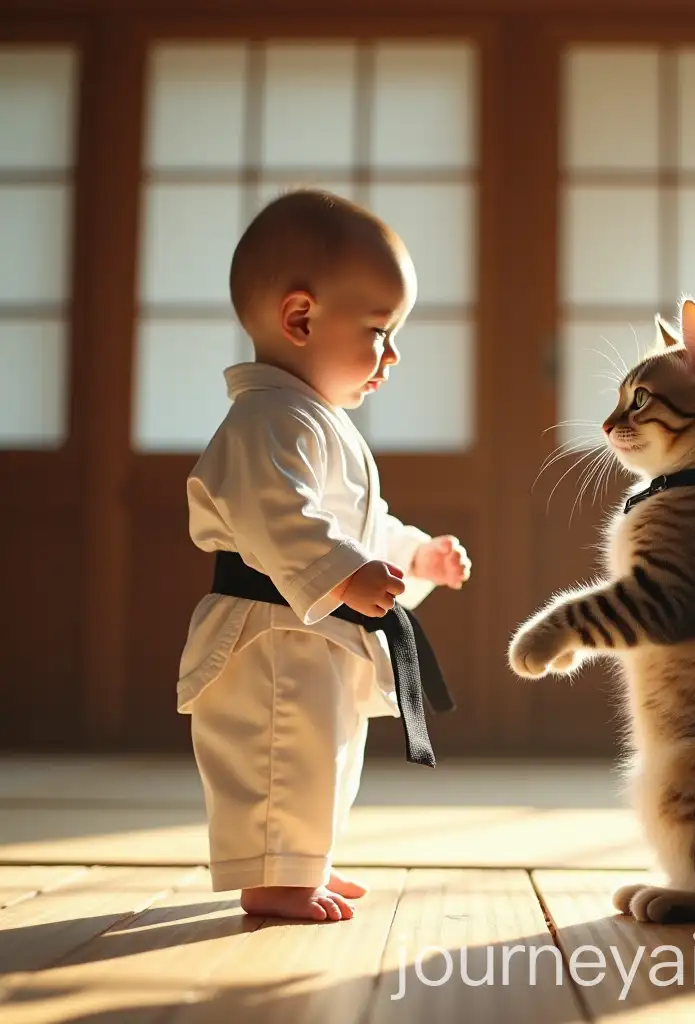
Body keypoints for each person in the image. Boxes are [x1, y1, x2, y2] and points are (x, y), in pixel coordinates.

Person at [175, 189, 471, 922]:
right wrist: (343, 571)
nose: (392, 355)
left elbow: (355, 524)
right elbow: (284, 518)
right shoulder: (266, 421)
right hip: (271, 634)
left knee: (323, 759)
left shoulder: (309, 420)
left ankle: (303, 862)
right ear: (301, 318)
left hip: (311, 629)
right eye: (379, 330)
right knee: (280, 751)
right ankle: (276, 878)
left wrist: (413, 557)